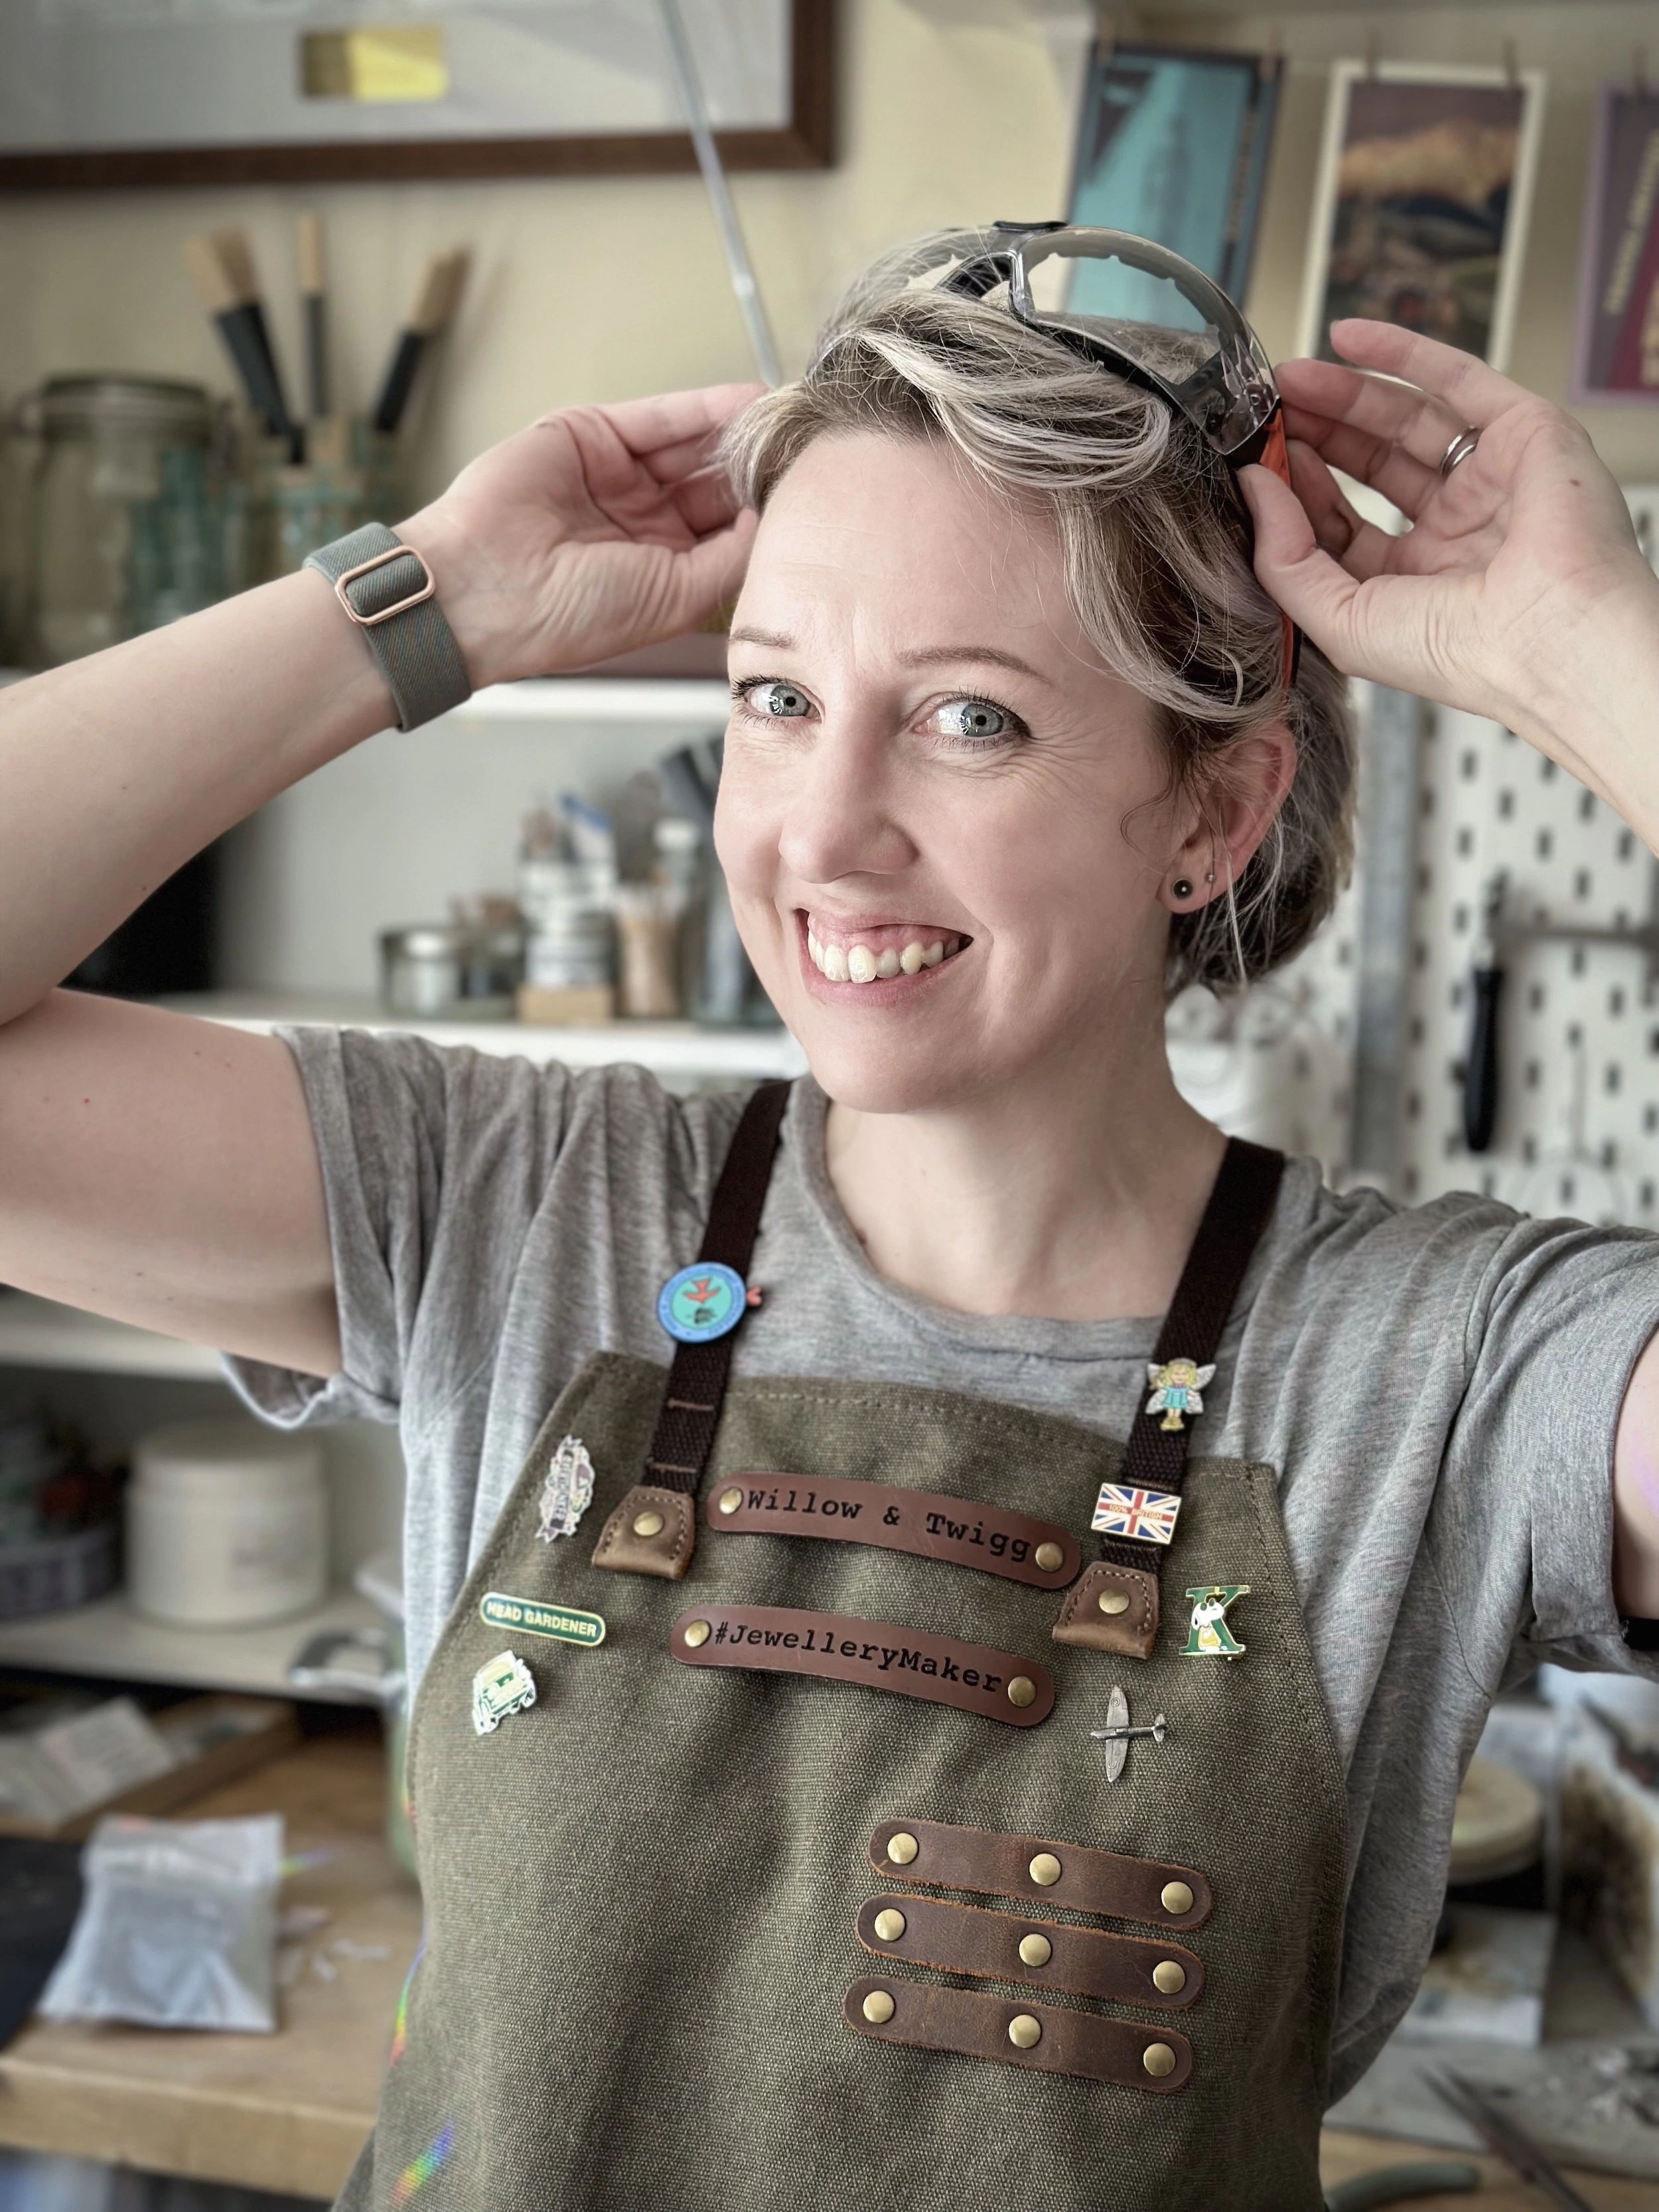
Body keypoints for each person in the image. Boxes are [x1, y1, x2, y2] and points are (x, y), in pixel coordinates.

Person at [1, 225, 1656, 2211]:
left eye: (968, 717)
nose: (820, 828)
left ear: (1210, 813)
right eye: (775, 698)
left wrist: (1583, 659)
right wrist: (411, 606)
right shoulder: (516, 1205)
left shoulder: (1444, 1376)